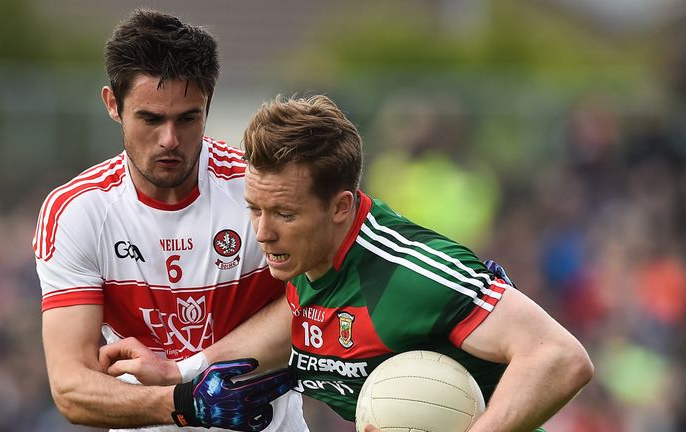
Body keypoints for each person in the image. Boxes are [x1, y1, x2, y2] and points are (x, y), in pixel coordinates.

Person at [237, 94, 594, 432]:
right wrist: (195, 372)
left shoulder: (413, 271)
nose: (263, 232)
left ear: (340, 208)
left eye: (285, 214)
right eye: (255, 208)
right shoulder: (306, 260)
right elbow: (286, 324)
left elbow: (561, 357)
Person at [33, 9, 307, 432]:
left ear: (208, 105)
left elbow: (306, 305)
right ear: (112, 104)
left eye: (187, 117)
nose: (170, 140)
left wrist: (184, 371)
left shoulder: (261, 192)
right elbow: (71, 387)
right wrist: (183, 404)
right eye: (150, 118)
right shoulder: (77, 212)